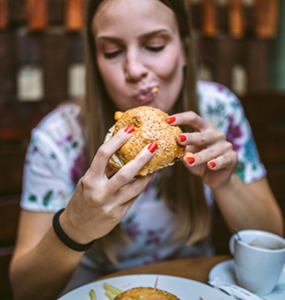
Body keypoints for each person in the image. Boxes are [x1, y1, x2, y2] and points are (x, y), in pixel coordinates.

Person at [9, 0, 284, 299]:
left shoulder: (218, 110)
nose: (134, 69)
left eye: (154, 46)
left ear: (185, 49)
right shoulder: (58, 138)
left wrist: (226, 185)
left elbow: (272, 239)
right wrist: (74, 227)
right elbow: (25, 290)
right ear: (96, 61)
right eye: (112, 51)